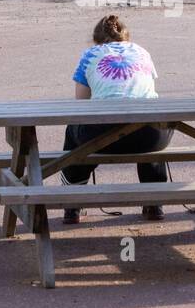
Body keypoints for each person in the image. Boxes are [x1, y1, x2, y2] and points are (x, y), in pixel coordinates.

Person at [61, 14, 172, 224]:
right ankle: (154, 200)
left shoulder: (89, 55)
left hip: (101, 137)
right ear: (126, 37)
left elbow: (81, 103)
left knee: (75, 130)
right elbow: (147, 91)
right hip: (149, 138)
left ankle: (73, 203)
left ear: (96, 40)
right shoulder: (142, 52)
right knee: (151, 119)